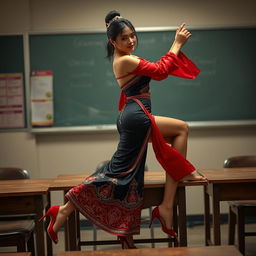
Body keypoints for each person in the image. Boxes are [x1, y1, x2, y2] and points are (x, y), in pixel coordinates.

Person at [39, 10, 207, 249]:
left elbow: (161, 69)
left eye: (132, 36)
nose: (130, 41)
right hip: (136, 116)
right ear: (113, 42)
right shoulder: (125, 60)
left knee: (128, 174)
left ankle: (131, 229)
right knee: (121, 170)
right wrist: (176, 43)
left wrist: (173, 51)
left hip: (134, 115)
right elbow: (160, 71)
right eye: (124, 38)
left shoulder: (126, 58)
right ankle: (65, 210)